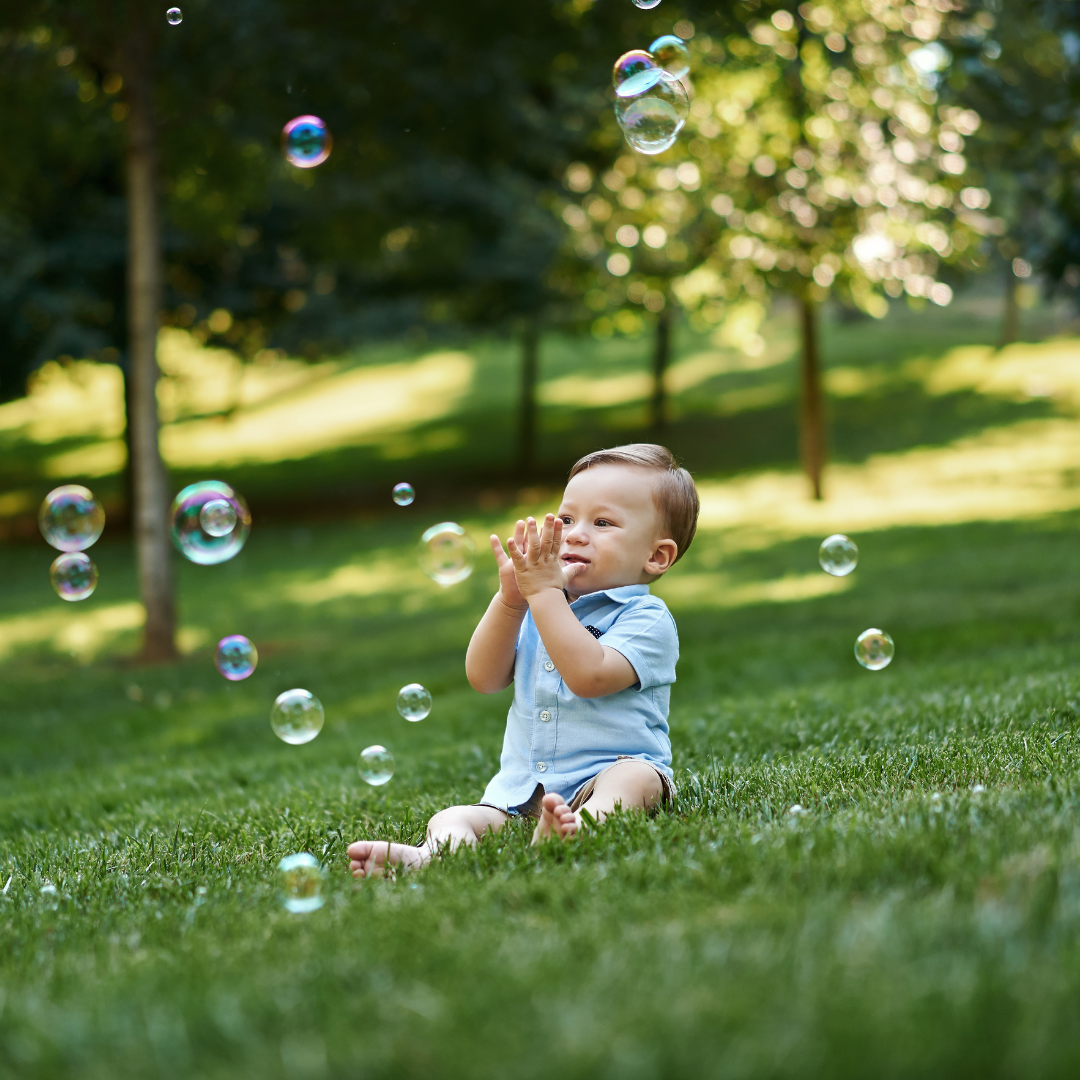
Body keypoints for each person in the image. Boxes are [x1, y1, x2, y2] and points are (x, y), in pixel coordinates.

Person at [348, 443, 700, 877]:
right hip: (521, 795)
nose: (574, 533)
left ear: (656, 556)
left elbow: (589, 676)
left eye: (603, 522)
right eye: (567, 518)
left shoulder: (647, 619)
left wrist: (544, 596)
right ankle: (431, 855)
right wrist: (511, 601)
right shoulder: (541, 604)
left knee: (636, 782)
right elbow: (483, 677)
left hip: (606, 776)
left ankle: (579, 828)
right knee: (453, 816)